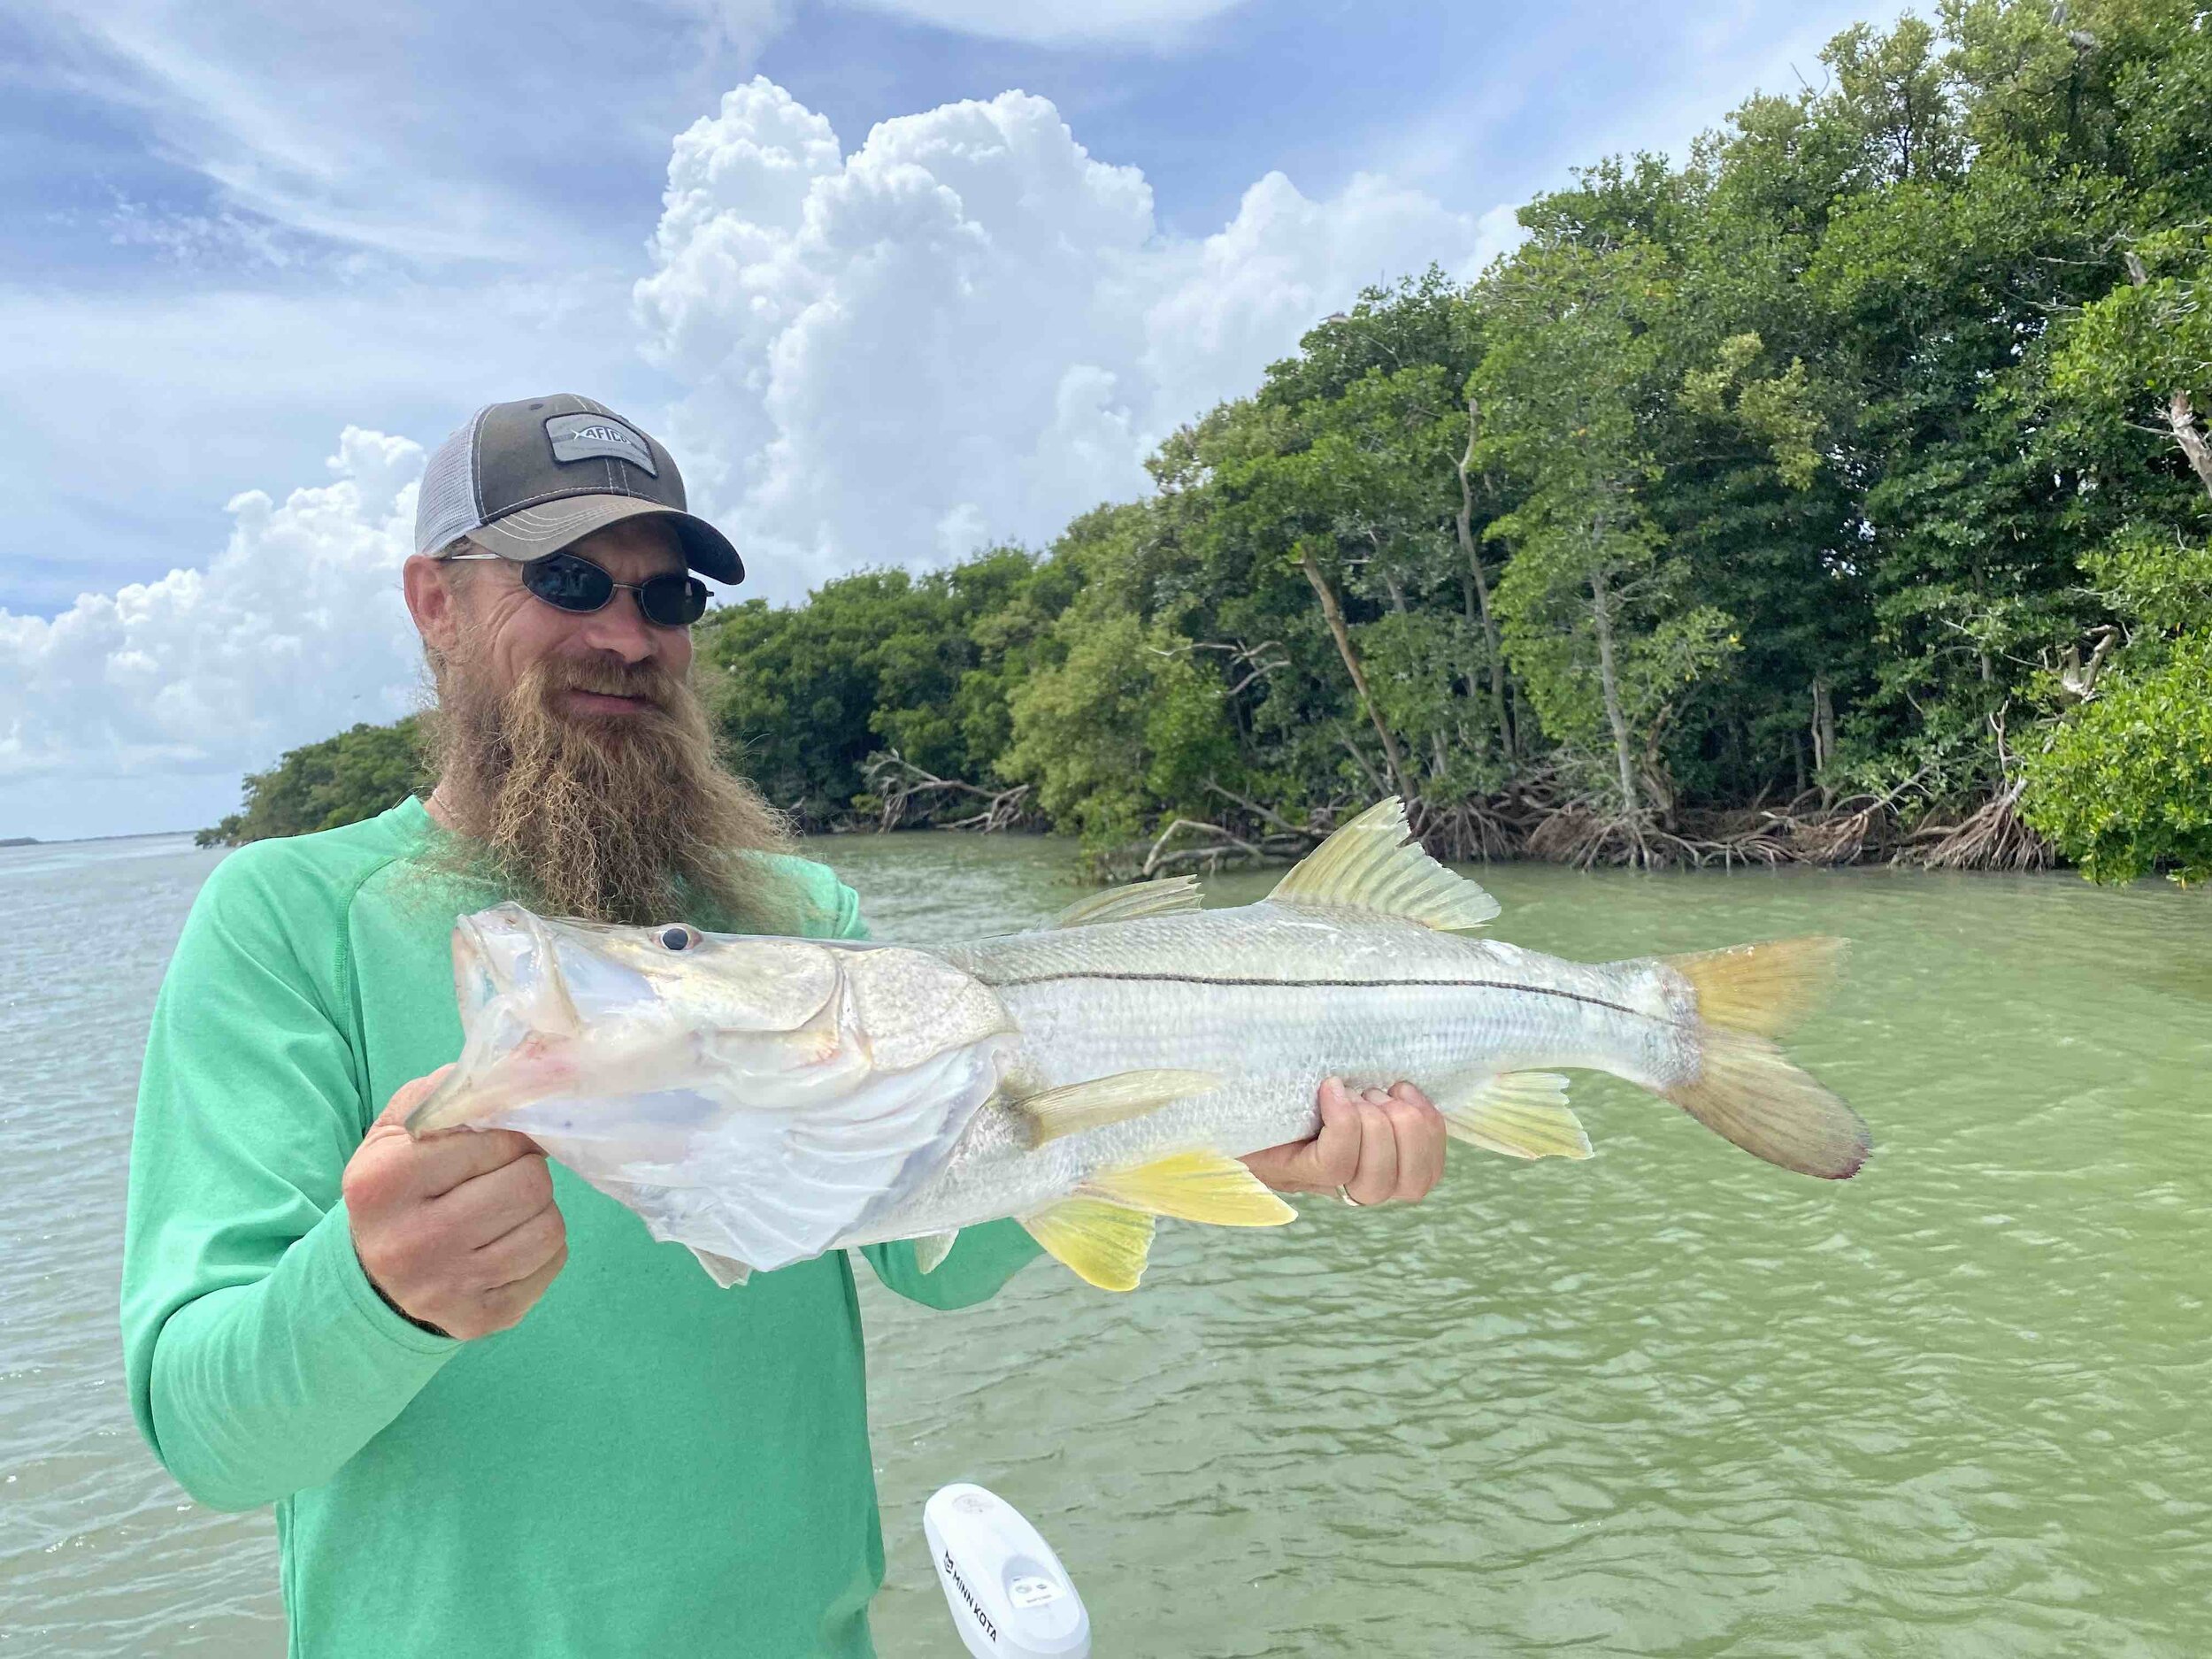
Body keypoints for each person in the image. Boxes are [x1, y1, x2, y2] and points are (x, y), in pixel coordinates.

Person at [119, 394, 1449, 1658]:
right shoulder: (284, 916)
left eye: (667, 596)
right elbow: (208, 1436)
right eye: (568, 582)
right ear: (435, 604)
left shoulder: (795, 909)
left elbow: (939, 1251)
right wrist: (371, 1294)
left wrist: (1216, 1122)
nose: (627, 636)